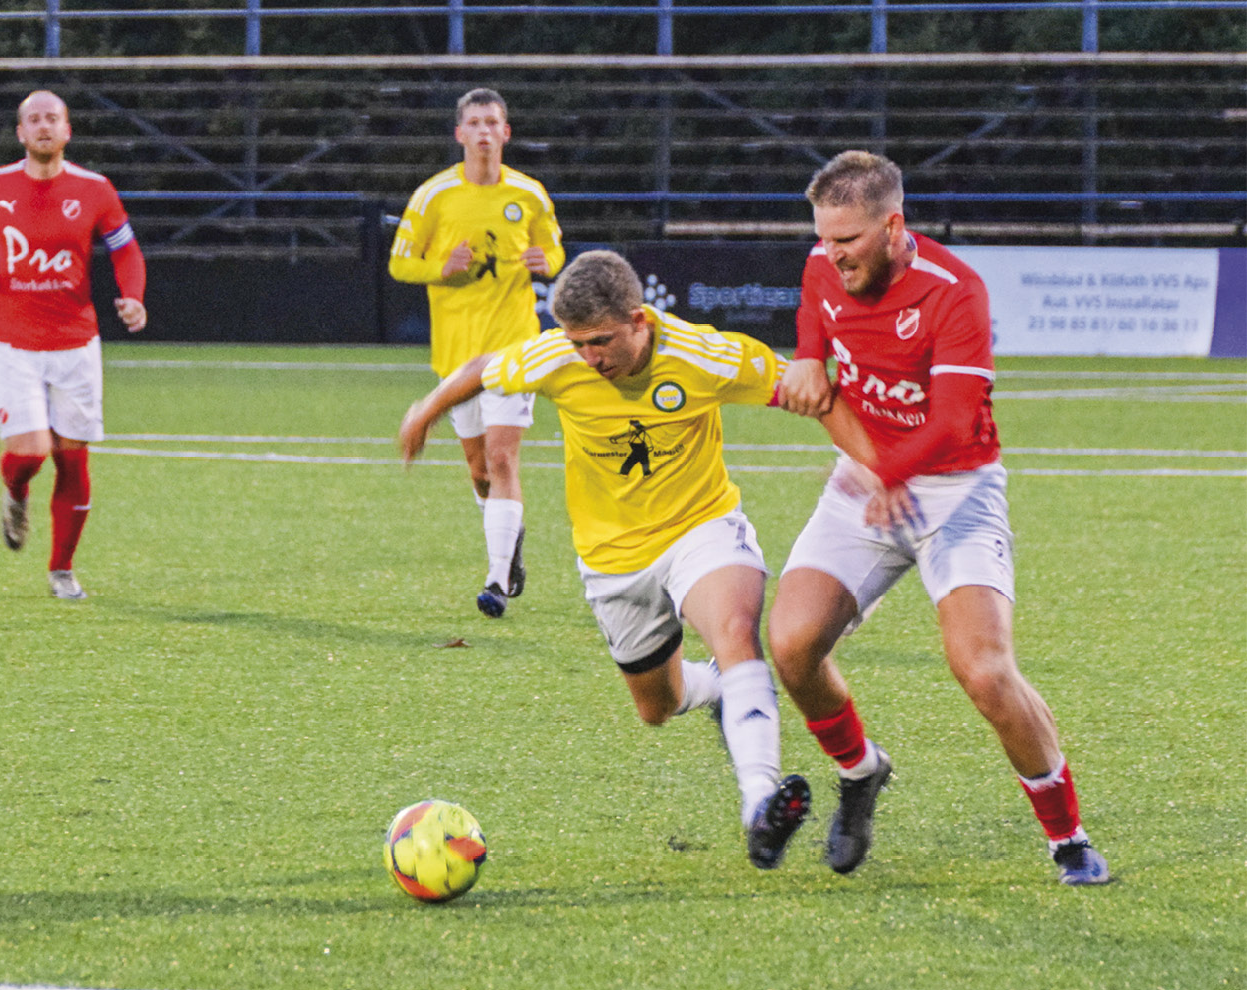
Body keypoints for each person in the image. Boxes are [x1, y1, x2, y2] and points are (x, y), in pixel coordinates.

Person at [400, 250, 874, 870]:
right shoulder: (557, 357)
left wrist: (873, 468)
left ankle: (760, 801)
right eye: (578, 344)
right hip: (612, 559)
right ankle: (725, 695)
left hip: (700, 530)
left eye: (602, 341)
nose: (590, 358)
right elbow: (486, 367)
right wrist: (426, 410)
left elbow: (816, 395)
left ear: (639, 318)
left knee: (735, 632)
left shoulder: (707, 356)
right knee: (658, 705)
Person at [770, 150, 1110, 885]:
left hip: (954, 490)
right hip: (863, 481)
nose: (831, 256)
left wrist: (893, 473)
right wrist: (804, 357)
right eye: (822, 239)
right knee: (791, 646)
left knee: (983, 671)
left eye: (847, 241)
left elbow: (955, 420)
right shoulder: (821, 266)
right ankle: (861, 772)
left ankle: (1067, 838)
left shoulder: (955, 291)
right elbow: (814, 312)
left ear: (892, 226)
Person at [0, 90, 148, 601]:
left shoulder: (95, 189)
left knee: (73, 458)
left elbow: (127, 251)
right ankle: (15, 493)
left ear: (68, 130)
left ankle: (61, 569)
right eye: (33, 119)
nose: (44, 126)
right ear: (20, 133)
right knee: (30, 452)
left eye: (53, 118)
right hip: (13, 341)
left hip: (75, 343)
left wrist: (133, 297)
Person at [388, 87, 565, 620]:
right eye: (475, 123)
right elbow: (400, 264)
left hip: (514, 349)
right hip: (455, 354)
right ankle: (509, 540)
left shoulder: (529, 195)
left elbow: (555, 249)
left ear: (506, 133)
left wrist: (547, 261)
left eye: (493, 122)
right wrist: (440, 267)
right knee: (479, 471)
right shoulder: (433, 196)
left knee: (503, 457)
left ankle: (495, 576)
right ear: (460, 134)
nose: (485, 132)